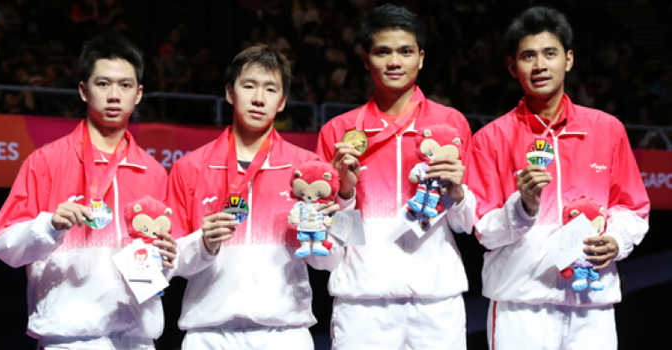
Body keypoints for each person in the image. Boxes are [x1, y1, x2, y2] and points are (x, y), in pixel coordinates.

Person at [464, 6, 650, 349]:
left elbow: (632, 208)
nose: (539, 66)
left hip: (590, 303)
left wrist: (616, 241)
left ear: (568, 59)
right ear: (511, 66)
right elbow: (482, 229)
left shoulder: (607, 131)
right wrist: (523, 208)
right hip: (520, 304)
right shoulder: (490, 139)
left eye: (550, 54)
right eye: (528, 56)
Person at [0, 34, 177, 350]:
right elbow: (2, 244)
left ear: (139, 94)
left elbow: (163, 259)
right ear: (83, 91)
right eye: (103, 84)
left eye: (125, 86)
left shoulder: (153, 171)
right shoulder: (45, 161)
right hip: (68, 339)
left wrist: (168, 258)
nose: (114, 95)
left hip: (137, 339)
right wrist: (49, 226)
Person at [315, 4, 476, 349]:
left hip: (437, 300)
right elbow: (336, 236)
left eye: (404, 51)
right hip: (363, 303)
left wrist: (458, 192)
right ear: (365, 59)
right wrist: (345, 192)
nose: (394, 62)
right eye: (382, 52)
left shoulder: (451, 124)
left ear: (420, 57)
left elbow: (466, 224)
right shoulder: (339, 131)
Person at [165, 44, 342, 350]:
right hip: (207, 335)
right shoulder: (190, 167)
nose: (259, 98)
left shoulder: (308, 171)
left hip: (285, 335)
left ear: (282, 101)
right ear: (230, 93)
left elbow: (332, 260)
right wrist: (203, 244)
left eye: (270, 89)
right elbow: (170, 262)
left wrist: (317, 236)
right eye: (249, 86)